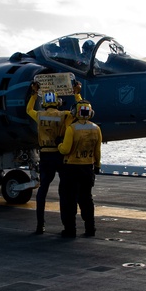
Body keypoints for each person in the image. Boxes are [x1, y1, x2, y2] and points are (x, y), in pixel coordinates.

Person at [26, 80, 81, 234]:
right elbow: (79, 111)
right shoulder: (64, 115)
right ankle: (68, 226)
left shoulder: (39, 115)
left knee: (43, 190)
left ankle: (40, 225)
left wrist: (34, 93)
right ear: (58, 102)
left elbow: (29, 109)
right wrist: (77, 93)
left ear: (45, 103)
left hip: (45, 155)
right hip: (60, 154)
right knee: (65, 191)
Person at [57, 100, 102, 238]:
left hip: (71, 168)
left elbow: (65, 149)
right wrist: (97, 165)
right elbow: (97, 151)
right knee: (86, 200)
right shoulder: (96, 128)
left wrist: (58, 144)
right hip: (88, 168)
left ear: (75, 113)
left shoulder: (72, 128)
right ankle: (90, 228)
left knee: (69, 201)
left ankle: (70, 230)